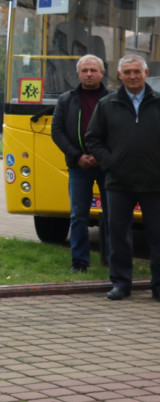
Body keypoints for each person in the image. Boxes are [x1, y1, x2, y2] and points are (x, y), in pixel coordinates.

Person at [85, 54, 160, 301]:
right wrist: (110, 163)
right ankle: (121, 283)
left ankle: (158, 286)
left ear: (146, 73)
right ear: (119, 75)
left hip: (155, 183)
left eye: (137, 71)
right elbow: (93, 139)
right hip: (119, 182)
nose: (132, 76)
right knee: (118, 235)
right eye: (127, 72)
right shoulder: (107, 104)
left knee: (157, 236)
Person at [50, 54, 112, 272]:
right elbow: (57, 131)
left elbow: (120, 131)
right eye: (85, 70)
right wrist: (77, 156)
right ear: (78, 74)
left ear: (102, 73)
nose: (89, 74)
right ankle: (79, 262)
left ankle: (113, 261)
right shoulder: (66, 100)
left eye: (93, 70)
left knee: (113, 215)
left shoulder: (114, 99)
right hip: (79, 166)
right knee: (78, 216)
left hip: (107, 167)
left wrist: (101, 156)